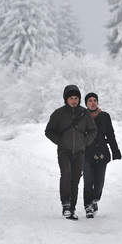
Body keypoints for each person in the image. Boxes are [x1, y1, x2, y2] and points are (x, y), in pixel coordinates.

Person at [45, 85, 97, 220]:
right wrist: (59, 141)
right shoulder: (58, 113)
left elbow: (93, 130)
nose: (74, 100)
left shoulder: (85, 113)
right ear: (66, 99)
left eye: (76, 98)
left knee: (75, 180)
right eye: (71, 98)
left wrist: (86, 141)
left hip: (80, 151)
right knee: (66, 174)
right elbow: (48, 131)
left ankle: (72, 209)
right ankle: (66, 204)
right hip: (64, 151)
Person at [82, 92, 121, 218]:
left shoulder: (105, 116)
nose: (93, 102)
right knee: (88, 181)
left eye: (95, 100)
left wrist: (115, 151)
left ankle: (94, 200)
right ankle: (88, 206)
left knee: (99, 184)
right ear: (86, 103)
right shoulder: (81, 116)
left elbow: (110, 135)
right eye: (90, 101)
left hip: (102, 154)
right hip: (86, 154)